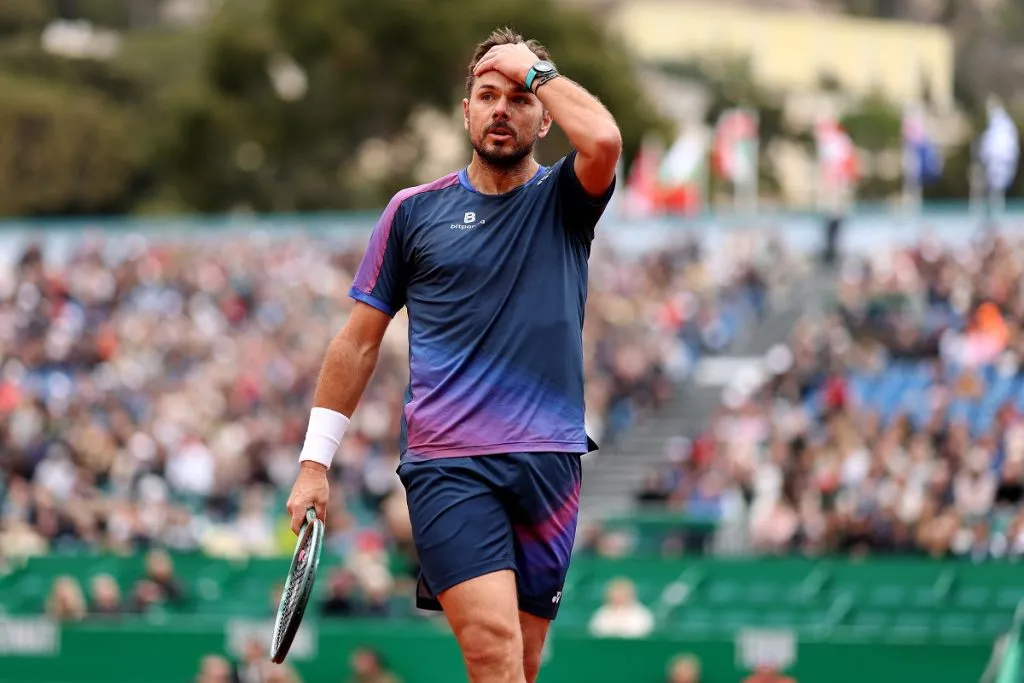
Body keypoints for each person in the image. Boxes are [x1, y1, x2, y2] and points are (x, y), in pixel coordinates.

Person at [285, 26, 621, 683]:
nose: (502, 107)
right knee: (493, 651)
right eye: (487, 94)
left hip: (550, 459)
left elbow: (605, 140)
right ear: (465, 110)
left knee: (521, 666)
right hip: (450, 462)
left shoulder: (565, 201)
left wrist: (536, 69)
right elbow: (357, 341)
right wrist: (314, 463)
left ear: (545, 116)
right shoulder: (413, 212)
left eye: (518, 97)